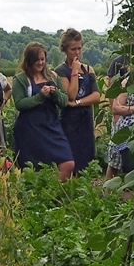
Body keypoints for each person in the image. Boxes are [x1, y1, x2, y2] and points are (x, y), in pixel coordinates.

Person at [11, 42, 74, 181]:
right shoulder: (21, 79)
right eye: (36, 59)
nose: (40, 63)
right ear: (29, 60)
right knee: (35, 168)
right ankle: (40, 197)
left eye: (42, 59)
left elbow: (64, 100)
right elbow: (20, 103)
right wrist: (40, 96)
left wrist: (55, 93)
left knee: (68, 163)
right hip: (30, 128)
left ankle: (53, 193)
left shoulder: (53, 76)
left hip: (51, 125)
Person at [55, 29, 101, 175]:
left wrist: (79, 103)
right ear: (65, 50)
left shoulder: (88, 69)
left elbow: (96, 96)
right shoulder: (60, 71)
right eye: (73, 49)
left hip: (85, 120)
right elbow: (71, 95)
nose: (76, 53)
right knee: (70, 159)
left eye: (79, 49)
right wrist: (74, 71)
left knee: (85, 160)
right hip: (69, 122)